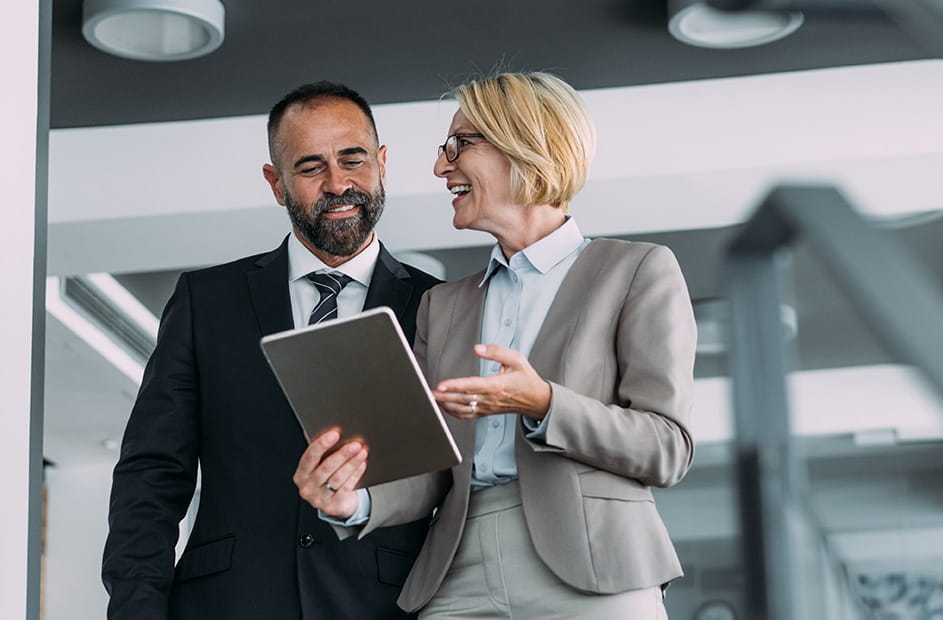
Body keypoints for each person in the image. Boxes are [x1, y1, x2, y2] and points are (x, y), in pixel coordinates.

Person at [294, 71, 696, 619]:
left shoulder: (635, 271)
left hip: (596, 567)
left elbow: (667, 447)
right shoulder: (445, 305)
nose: (442, 167)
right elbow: (435, 466)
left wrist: (542, 402)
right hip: (459, 571)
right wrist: (357, 501)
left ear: (524, 145)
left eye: (460, 146)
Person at [102, 81, 443, 620]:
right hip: (225, 604)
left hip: (385, 606)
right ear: (276, 184)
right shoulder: (206, 302)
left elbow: (454, 481)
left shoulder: (439, 307)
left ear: (381, 163)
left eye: (352, 160)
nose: (337, 183)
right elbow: (151, 475)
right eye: (310, 168)